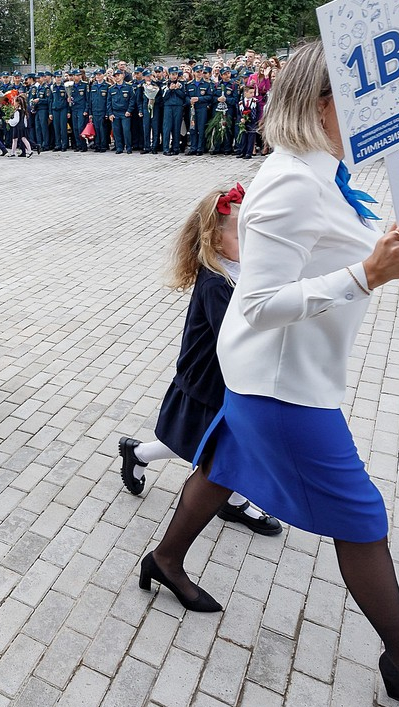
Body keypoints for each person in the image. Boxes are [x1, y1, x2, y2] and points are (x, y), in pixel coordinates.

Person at [142, 41, 399, 707]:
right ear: (322, 104)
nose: (381, 106)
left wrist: (382, 249)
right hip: (281, 387)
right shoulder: (289, 184)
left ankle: (164, 560)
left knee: (221, 469)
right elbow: (256, 301)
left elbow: (330, 243)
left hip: (281, 372)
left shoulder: (326, 174)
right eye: (362, 93)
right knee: (362, 518)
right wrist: (368, 273)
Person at [117, 183, 281, 535]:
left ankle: (143, 455)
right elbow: (235, 333)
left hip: (230, 375)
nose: (250, 245)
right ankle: (146, 457)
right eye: (241, 238)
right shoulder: (216, 282)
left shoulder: (239, 268)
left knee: (219, 442)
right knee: (206, 443)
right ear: (213, 240)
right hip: (209, 376)